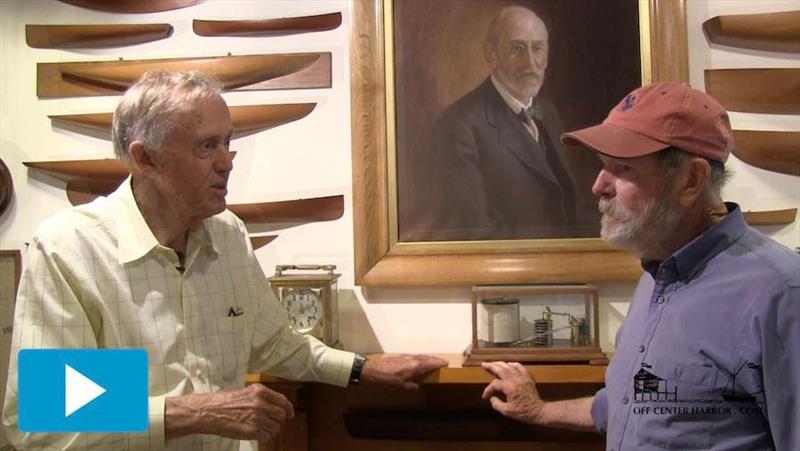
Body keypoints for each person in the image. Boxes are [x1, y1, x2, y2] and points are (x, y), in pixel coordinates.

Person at [2, 71, 447, 450]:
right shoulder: (70, 249)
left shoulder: (228, 234)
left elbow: (273, 343)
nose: (226, 163)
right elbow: (42, 414)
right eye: (206, 146)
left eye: (228, 143)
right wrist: (193, 411)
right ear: (145, 158)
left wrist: (363, 368)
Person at [481, 82, 799, 450]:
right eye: (603, 167)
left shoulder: (780, 294)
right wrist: (540, 412)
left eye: (622, 168)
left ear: (692, 179)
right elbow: (637, 405)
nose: (599, 185)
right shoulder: (656, 277)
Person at [409, 5, 594, 241]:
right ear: (491, 54)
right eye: (517, 49)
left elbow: (572, 209)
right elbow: (474, 231)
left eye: (537, 49)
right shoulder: (458, 126)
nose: (530, 62)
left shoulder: (549, 114)